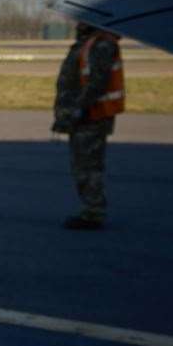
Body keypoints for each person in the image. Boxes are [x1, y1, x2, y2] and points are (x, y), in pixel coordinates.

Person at [53, 21, 124, 229]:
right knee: (83, 164)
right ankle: (92, 209)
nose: (77, 23)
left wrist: (77, 110)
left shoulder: (101, 44)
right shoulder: (89, 42)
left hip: (90, 116)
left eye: (82, 19)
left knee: (88, 166)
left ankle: (93, 212)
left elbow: (97, 82)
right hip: (84, 115)